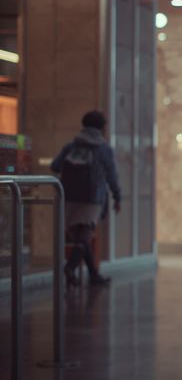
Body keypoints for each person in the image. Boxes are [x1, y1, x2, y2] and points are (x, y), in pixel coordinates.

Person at [50, 110, 122, 287]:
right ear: (101, 128)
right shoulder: (103, 149)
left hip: (69, 196)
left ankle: (93, 275)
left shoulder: (72, 146)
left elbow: (55, 166)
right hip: (92, 198)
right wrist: (117, 196)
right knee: (85, 237)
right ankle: (70, 267)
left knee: (81, 239)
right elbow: (112, 176)